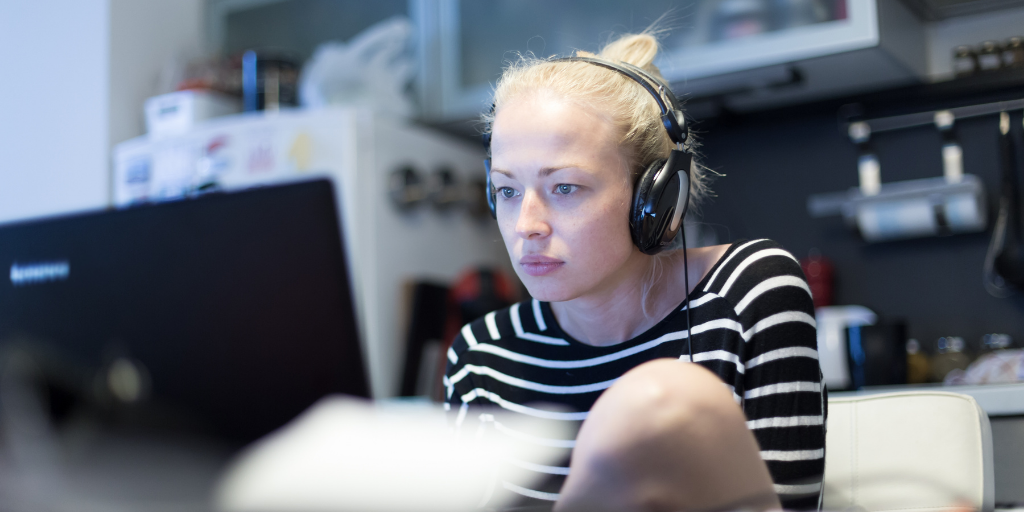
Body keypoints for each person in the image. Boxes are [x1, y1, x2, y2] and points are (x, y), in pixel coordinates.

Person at [444, 31, 824, 512]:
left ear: (656, 197)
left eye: (564, 188)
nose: (526, 226)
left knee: (655, 401)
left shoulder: (750, 293)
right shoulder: (481, 355)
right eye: (507, 190)